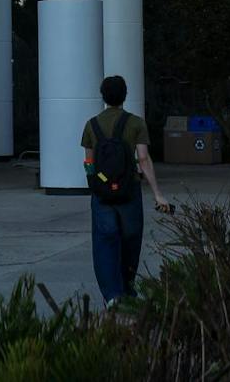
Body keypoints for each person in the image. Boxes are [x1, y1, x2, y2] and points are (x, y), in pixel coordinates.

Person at [81, 74, 170, 304]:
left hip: (102, 194)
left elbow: (89, 162)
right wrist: (158, 193)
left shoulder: (91, 125)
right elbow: (143, 158)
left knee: (105, 240)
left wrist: (96, 182)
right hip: (129, 190)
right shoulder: (136, 123)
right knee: (131, 239)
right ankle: (128, 288)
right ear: (125, 95)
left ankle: (112, 295)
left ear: (103, 96)